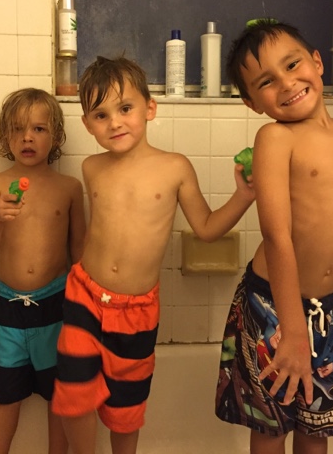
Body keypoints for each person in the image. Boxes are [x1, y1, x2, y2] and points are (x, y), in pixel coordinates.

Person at [214, 19, 333, 454]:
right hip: (273, 309)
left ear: (318, 63)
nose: (286, 83)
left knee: (318, 426)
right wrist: (293, 330)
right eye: (266, 81)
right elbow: (276, 234)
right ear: (252, 103)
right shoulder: (275, 138)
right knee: (271, 426)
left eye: (292, 64)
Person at [50, 56, 255, 454]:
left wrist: (244, 196)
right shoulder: (91, 167)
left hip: (137, 309)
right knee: (74, 393)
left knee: (126, 407)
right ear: (88, 124)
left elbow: (206, 228)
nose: (115, 122)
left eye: (125, 108)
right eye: (101, 115)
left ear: (150, 108)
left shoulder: (174, 167)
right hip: (84, 294)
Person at [0, 88, 86, 454]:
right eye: (18, 129)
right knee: (5, 402)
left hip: (56, 306)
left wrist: (87, 312)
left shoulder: (69, 188)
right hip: (8, 311)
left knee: (60, 401)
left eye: (39, 129)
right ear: (5, 136)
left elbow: (79, 253)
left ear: (55, 136)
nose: (27, 137)